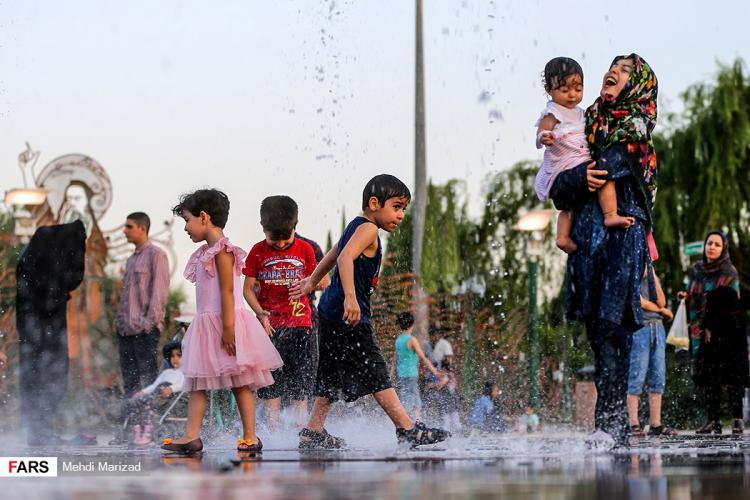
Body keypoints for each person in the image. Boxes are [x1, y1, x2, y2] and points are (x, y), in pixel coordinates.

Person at [290, 174, 449, 449]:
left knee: (331, 371)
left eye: (403, 209)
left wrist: (313, 282)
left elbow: (334, 252)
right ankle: (407, 428)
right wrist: (351, 298)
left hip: (330, 311)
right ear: (375, 203)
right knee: (374, 368)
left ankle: (313, 430)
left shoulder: (355, 225)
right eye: (396, 207)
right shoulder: (369, 229)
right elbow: (343, 258)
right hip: (349, 313)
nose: (400, 215)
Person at [554, 54, 659, 447]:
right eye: (614, 66)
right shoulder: (582, 130)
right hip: (585, 242)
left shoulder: (638, 139)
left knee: (615, 327)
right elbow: (557, 189)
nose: (615, 72)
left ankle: (612, 425)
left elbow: (633, 192)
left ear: (639, 85)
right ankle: (608, 425)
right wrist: (578, 176)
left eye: (627, 70)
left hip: (622, 240)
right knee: (598, 332)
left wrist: (583, 175)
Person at [161, 189, 283, 454]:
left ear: (204, 217)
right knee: (198, 382)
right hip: (207, 326)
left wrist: (228, 329)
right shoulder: (206, 253)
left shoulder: (223, 252)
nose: (185, 228)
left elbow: (228, 291)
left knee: (241, 381)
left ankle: (250, 435)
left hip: (227, 324)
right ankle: (191, 435)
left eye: (187, 220)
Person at [535, 57, 634, 254]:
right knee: (605, 178)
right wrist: (543, 137)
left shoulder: (583, 113)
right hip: (565, 161)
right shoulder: (552, 113)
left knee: (570, 208)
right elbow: (541, 133)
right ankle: (610, 214)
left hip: (579, 159)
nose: (572, 95)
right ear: (549, 89)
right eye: (564, 90)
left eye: (578, 89)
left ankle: (563, 237)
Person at [243, 195, 319, 429]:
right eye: (274, 240)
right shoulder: (257, 251)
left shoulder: (306, 249)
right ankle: (273, 429)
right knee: (272, 383)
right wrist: (260, 313)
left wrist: (308, 283)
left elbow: (322, 279)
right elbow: (247, 290)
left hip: (301, 325)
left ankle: (300, 429)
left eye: (286, 240)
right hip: (271, 326)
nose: (281, 245)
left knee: (301, 382)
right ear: (263, 228)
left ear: (295, 227)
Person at [16, 221, 86, 446]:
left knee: (34, 374)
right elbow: (74, 277)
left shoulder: (30, 263)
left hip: (30, 330)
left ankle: (38, 431)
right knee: (51, 374)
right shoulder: (55, 277)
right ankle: (43, 430)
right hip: (50, 328)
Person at [678, 231, 749, 434]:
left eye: (717, 244)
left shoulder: (729, 271)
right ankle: (713, 420)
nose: (712, 247)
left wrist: (712, 325)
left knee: (733, 374)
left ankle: (737, 419)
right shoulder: (697, 270)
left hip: (728, 330)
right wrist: (687, 296)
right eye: (709, 243)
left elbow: (729, 303)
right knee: (711, 375)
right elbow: (696, 297)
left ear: (723, 248)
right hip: (703, 329)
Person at [116, 212, 170, 397]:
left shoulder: (157, 255)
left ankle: (148, 422)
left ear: (142, 228)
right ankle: (134, 423)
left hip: (144, 330)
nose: (125, 231)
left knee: (146, 381)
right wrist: (120, 325)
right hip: (126, 331)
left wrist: (147, 326)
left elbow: (159, 293)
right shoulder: (131, 259)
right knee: (129, 381)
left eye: (129, 226)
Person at [627, 270, 675, 437]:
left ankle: (656, 423)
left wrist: (654, 276)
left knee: (658, 376)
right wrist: (662, 311)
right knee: (636, 375)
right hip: (640, 328)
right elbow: (640, 302)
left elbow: (661, 301)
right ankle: (633, 423)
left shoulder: (652, 278)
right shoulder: (630, 274)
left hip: (657, 328)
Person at [126, 341, 185, 446]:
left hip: (168, 398)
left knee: (146, 402)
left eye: (179, 356)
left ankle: (148, 431)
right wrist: (143, 392)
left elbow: (184, 385)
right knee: (135, 402)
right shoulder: (166, 372)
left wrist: (171, 388)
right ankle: (138, 430)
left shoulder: (184, 372)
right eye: (172, 356)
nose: (175, 359)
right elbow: (154, 386)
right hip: (156, 394)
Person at [390, 312, 440, 419]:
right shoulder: (411, 340)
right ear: (412, 324)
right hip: (411, 373)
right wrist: (434, 370)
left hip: (402, 374)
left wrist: (391, 373)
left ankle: (414, 420)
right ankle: (410, 421)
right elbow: (423, 357)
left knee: (408, 395)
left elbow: (395, 359)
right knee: (411, 398)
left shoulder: (398, 340)